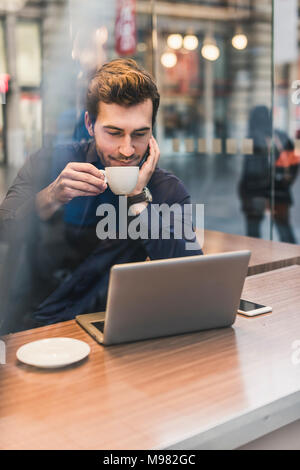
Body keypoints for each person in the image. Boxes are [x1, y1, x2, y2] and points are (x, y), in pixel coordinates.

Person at [0, 58, 202, 333]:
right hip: (30, 327)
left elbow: (193, 278)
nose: (128, 150)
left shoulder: (164, 189)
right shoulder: (49, 163)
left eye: (140, 134)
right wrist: (50, 196)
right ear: (90, 124)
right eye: (114, 133)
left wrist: (138, 199)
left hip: (108, 328)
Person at [238, 105, 299, 243]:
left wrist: (244, 192)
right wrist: (284, 183)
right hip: (280, 192)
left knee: (253, 234)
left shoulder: (251, 138)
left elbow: (250, 171)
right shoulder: (282, 136)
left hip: (255, 194)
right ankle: (294, 261)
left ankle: (256, 261)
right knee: (285, 230)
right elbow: (294, 164)